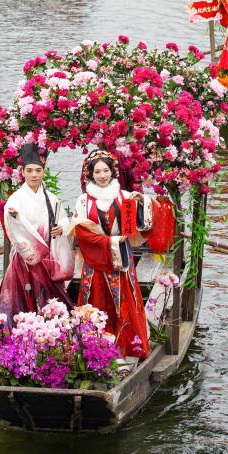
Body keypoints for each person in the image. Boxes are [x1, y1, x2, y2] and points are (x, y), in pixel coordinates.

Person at [68, 150, 151, 358]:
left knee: (123, 302)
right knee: (95, 302)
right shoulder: (83, 201)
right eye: (97, 171)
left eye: (106, 170)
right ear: (90, 174)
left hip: (121, 258)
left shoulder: (125, 197)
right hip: (95, 261)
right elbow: (82, 233)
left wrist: (142, 203)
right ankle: (93, 349)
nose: (102, 175)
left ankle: (125, 347)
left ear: (113, 172)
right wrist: (111, 241)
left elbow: (134, 229)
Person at [0, 143, 73, 323]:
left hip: (48, 258)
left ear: (43, 172)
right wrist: (17, 219)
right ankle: (23, 337)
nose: (34, 175)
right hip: (26, 259)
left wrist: (62, 227)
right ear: (22, 172)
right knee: (25, 301)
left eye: (38, 170)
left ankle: (52, 333)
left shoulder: (52, 199)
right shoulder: (15, 200)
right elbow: (14, 230)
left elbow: (64, 219)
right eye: (29, 170)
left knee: (51, 300)